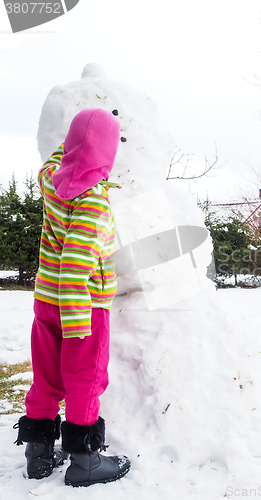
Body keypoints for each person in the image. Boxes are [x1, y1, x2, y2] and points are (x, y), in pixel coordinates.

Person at [14, 108, 131, 487]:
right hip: (81, 306)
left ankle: (39, 453)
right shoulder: (92, 201)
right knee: (85, 379)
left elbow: (55, 157)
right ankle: (85, 460)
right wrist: (78, 322)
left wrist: (81, 134)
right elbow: (75, 265)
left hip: (45, 302)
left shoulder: (51, 179)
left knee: (47, 377)